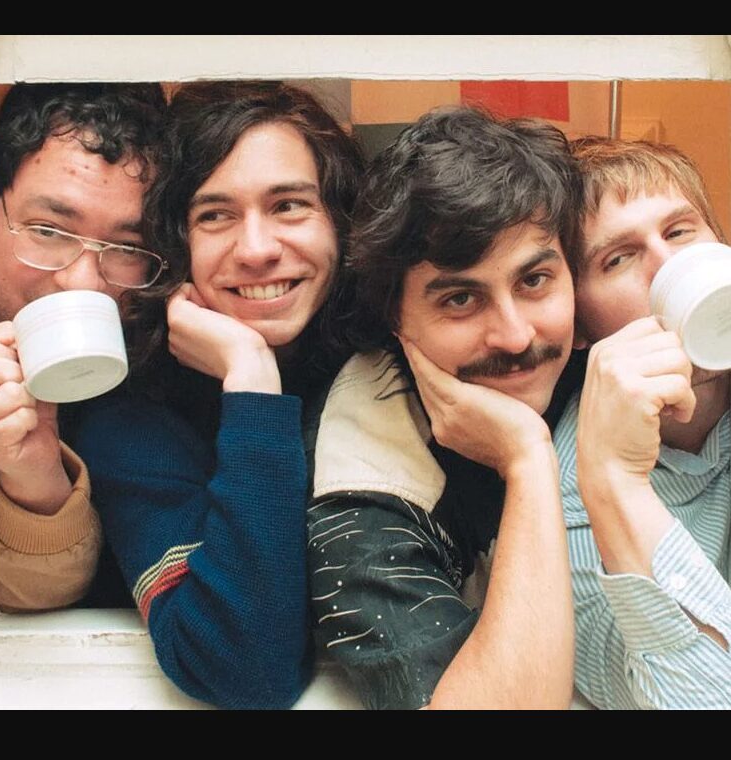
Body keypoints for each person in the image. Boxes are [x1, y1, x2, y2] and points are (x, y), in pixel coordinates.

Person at [64, 82, 364, 708]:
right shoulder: (126, 407)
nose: (256, 250)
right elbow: (243, 668)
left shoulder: (390, 360)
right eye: (215, 215)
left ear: (340, 222)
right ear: (176, 242)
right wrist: (251, 375)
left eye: (289, 205)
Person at [308, 106, 585, 709]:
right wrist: (526, 459)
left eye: (534, 281)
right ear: (393, 318)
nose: (514, 336)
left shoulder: (606, 347)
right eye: (461, 298)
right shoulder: (363, 464)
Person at [0, 83, 167, 612]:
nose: (83, 282)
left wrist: (34, 475)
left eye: (127, 249)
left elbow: (42, 612)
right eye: (48, 230)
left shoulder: (161, 385)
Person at [555, 136, 731, 709]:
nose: (668, 264)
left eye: (680, 232)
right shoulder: (570, 492)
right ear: (578, 325)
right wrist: (613, 483)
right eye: (618, 258)